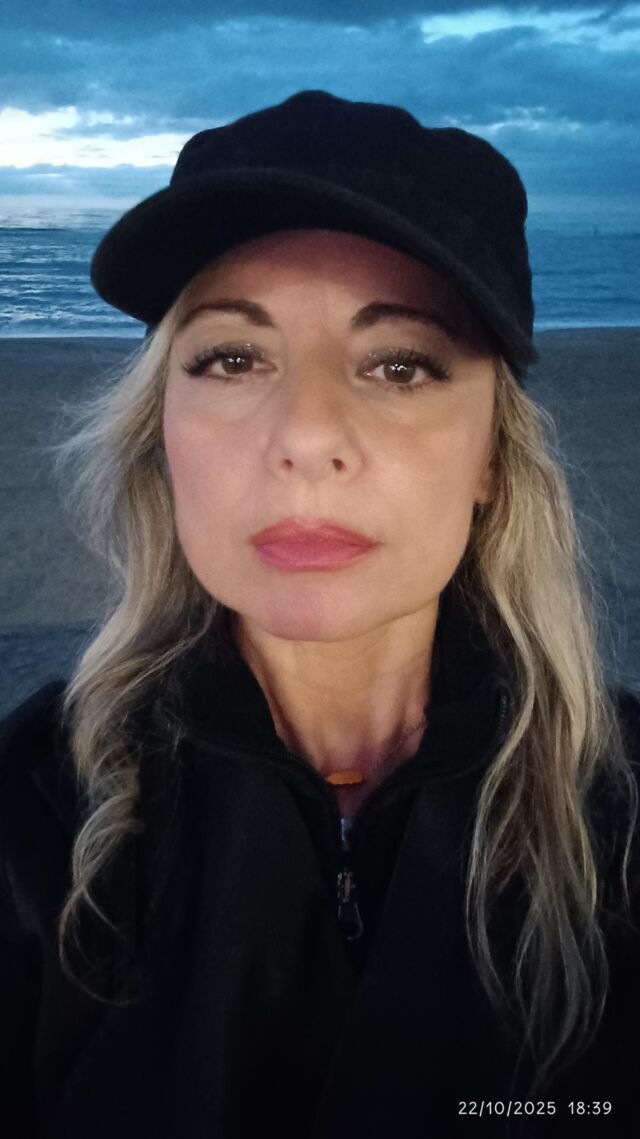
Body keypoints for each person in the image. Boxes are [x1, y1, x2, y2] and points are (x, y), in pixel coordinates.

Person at [1, 89, 639, 1139]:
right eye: (232, 357)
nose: (305, 435)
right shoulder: (31, 821)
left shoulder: (621, 812)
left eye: (399, 364)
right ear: (161, 431)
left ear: (491, 454)